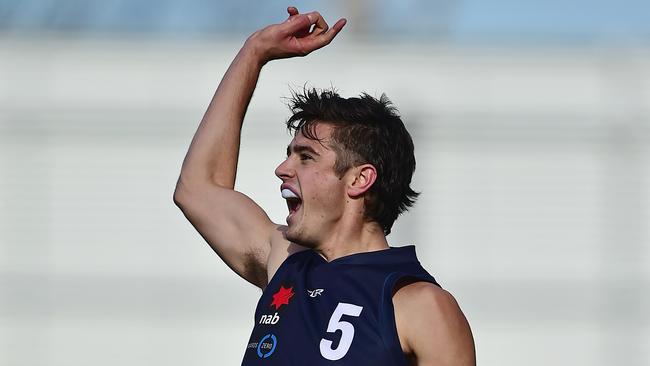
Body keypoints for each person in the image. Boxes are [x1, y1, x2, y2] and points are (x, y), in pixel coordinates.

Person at [174, 7, 475, 366]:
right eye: (289, 154)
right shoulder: (285, 261)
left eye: (306, 157)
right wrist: (254, 53)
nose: (282, 168)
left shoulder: (419, 304)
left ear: (360, 179)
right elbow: (197, 188)